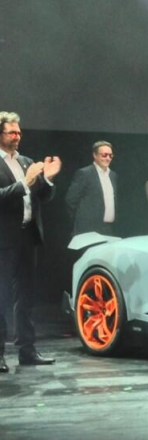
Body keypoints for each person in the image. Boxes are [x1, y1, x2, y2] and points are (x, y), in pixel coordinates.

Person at [0, 111, 62, 372]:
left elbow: (42, 196)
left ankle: (27, 350)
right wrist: (25, 183)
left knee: (26, 297)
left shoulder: (26, 162)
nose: (17, 136)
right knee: (1, 296)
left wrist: (47, 178)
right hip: (4, 239)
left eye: (19, 132)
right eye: (11, 132)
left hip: (28, 236)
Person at [65, 141, 118, 236]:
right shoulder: (85, 173)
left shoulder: (113, 175)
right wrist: (80, 221)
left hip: (108, 228)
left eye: (110, 155)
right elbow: (71, 200)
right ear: (95, 155)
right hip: (87, 229)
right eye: (104, 155)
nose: (108, 158)